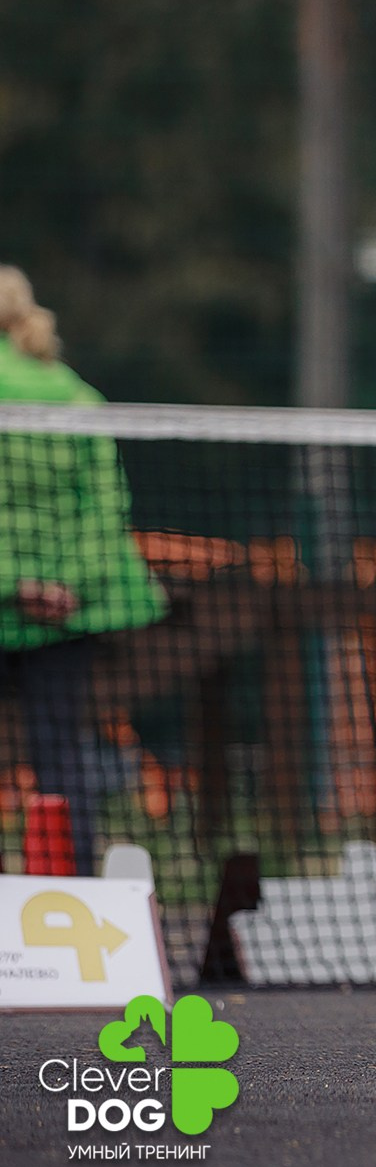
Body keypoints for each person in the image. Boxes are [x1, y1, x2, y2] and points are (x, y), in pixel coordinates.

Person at [0, 267, 166, 874]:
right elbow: (105, 510)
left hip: (17, 597)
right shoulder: (72, 393)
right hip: (67, 606)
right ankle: (71, 887)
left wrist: (11, 588)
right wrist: (68, 587)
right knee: (61, 749)